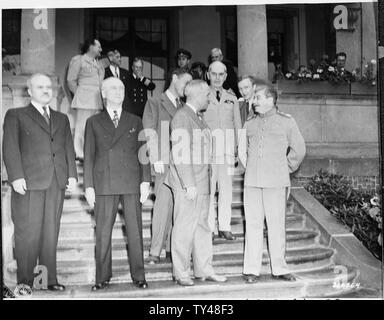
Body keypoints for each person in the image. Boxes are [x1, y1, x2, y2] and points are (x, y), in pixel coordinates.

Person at [2, 73, 77, 292]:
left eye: (49, 87)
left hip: (55, 183)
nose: (46, 90)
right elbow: (10, 147)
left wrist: (71, 174)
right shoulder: (16, 115)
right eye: (40, 87)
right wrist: (15, 176)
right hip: (28, 184)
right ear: (30, 91)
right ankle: (25, 283)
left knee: (50, 233)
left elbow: (67, 149)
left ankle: (45, 280)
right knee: (27, 234)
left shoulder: (62, 118)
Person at [83, 77, 151, 291]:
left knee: (135, 231)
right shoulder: (93, 122)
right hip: (104, 182)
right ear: (103, 93)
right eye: (113, 88)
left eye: (121, 88)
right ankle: (102, 277)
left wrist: (145, 181)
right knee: (103, 232)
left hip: (131, 182)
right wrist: (88, 186)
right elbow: (89, 156)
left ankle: (139, 275)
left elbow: (143, 153)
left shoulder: (135, 120)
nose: (118, 91)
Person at [238, 84, 306, 283]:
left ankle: (280, 268)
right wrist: (249, 167)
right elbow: (242, 150)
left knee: (276, 225)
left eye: (258, 98)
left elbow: (299, 150)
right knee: (252, 225)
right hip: (252, 182)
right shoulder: (249, 123)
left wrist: (286, 168)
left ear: (270, 99)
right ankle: (251, 269)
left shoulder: (287, 122)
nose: (254, 102)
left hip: (276, 182)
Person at [164, 80, 227, 286]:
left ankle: (203, 269)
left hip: (202, 183)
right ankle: (181, 272)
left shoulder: (197, 117)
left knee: (202, 227)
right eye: (207, 94)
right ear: (197, 95)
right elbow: (180, 154)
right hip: (189, 184)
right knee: (184, 227)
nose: (210, 98)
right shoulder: (182, 117)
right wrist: (188, 184)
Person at [142, 68, 192, 264]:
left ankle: (173, 249)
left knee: (178, 207)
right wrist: (155, 157)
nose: (187, 88)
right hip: (164, 161)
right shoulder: (155, 102)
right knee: (163, 206)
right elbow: (149, 130)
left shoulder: (185, 106)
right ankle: (155, 251)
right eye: (185, 83)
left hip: (182, 164)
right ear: (174, 78)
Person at [204, 61, 242, 240]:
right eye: (214, 74)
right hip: (209, 152)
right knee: (209, 190)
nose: (217, 78)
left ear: (226, 76)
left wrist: (238, 149)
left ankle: (225, 226)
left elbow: (237, 124)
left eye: (221, 74)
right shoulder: (202, 96)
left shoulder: (232, 97)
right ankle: (210, 228)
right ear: (208, 74)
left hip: (227, 152)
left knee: (226, 189)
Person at [67, 39, 105, 160]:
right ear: (91, 47)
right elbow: (70, 80)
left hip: (96, 99)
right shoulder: (79, 60)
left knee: (95, 126)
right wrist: (79, 93)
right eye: (98, 46)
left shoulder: (98, 64)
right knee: (82, 125)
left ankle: (91, 152)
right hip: (84, 99)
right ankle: (79, 152)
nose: (101, 49)